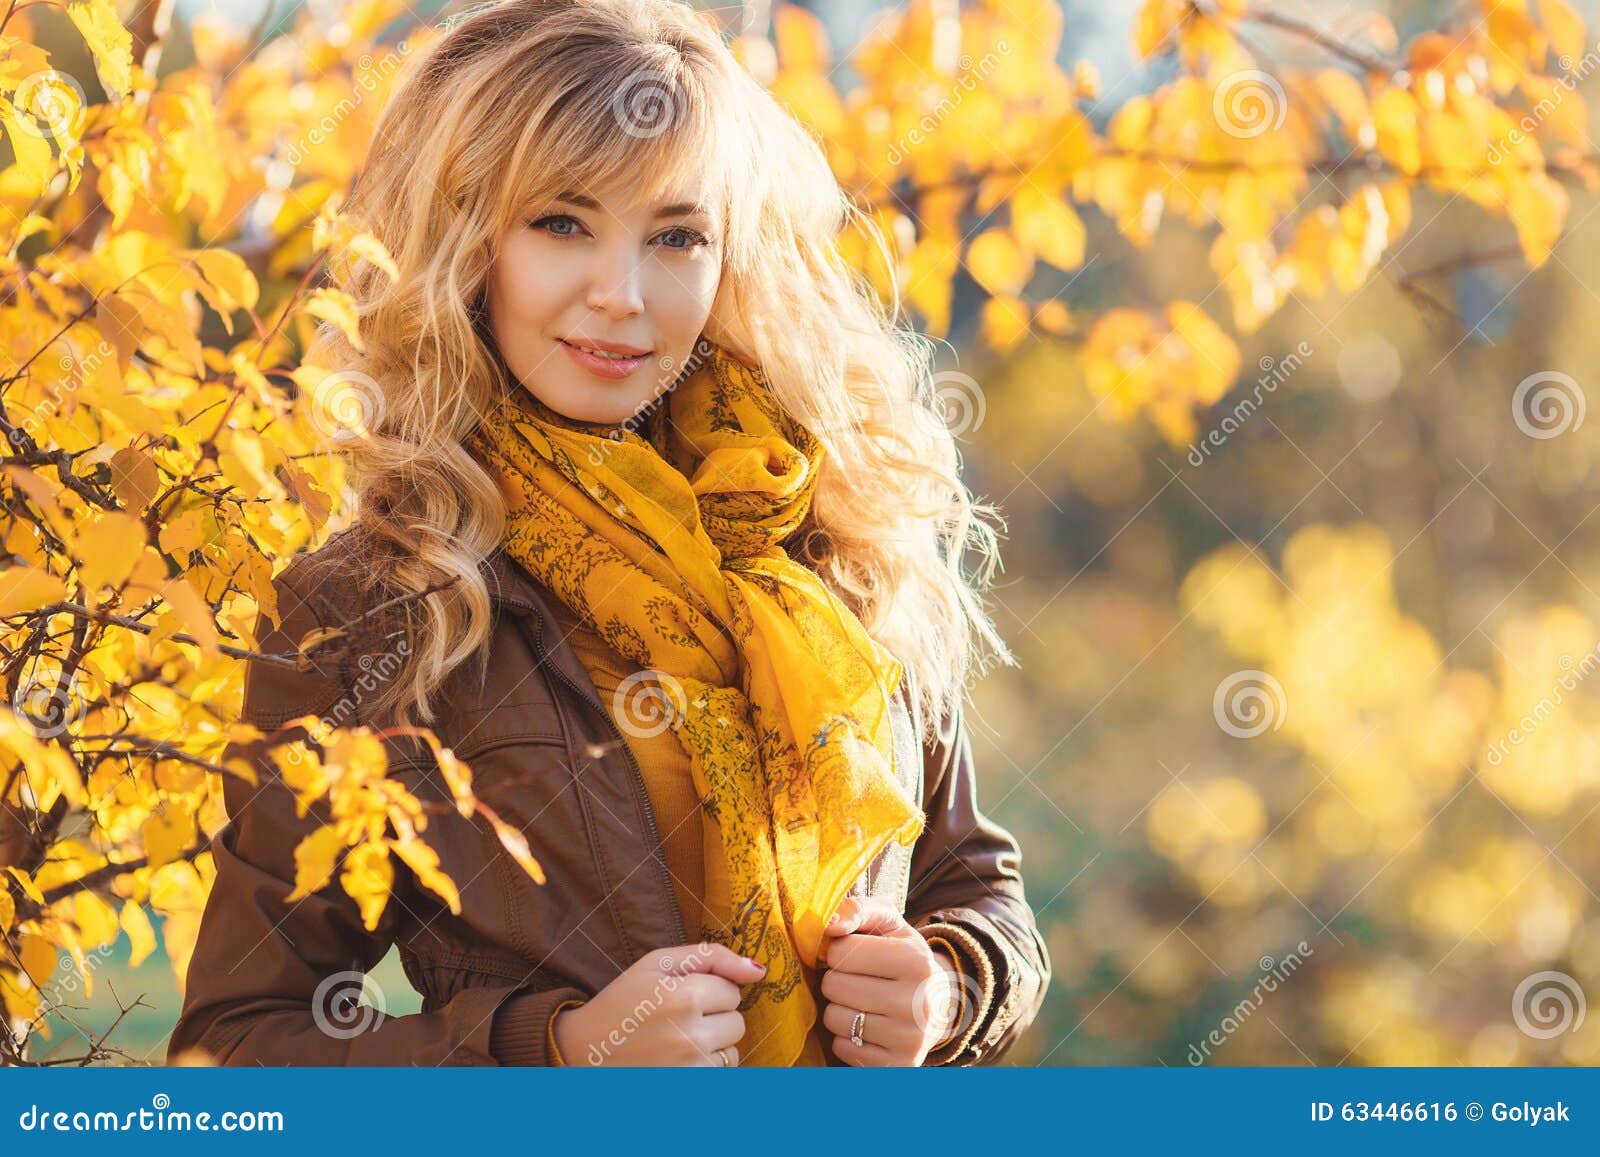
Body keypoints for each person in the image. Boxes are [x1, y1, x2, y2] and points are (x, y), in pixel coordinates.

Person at [168, 0, 1049, 1067]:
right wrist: (559, 1050)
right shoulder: (377, 601)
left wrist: (946, 986)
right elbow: (237, 1043)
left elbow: (972, 886)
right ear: (465, 239)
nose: (623, 295)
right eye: (561, 223)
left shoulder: (831, 524)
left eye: (676, 235)